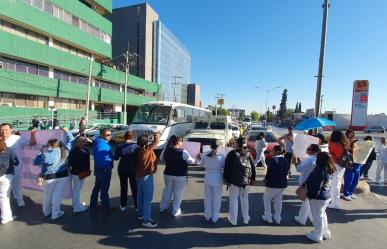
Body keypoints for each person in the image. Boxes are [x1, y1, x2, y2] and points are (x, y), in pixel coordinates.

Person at [159, 135, 196, 216]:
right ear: (178, 142)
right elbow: (191, 161)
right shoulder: (183, 151)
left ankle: (163, 207)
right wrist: (196, 157)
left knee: (167, 190)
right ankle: (175, 211)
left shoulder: (166, 150)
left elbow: (161, 159)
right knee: (178, 193)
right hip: (180, 175)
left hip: (168, 173)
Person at [223, 137, 256, 226]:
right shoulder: (248, 154)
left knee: (233, 200)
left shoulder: (231, 154)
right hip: (246, 181)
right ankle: (246, 219)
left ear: (237, 144)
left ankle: (233, 220)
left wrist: (225, 178)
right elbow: (253, 166)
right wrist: (253, 178)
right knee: (245, 200)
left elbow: (227, 167)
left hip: (233, 181)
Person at [304, 152, 335, 243]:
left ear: (319, 159)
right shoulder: (329, 168)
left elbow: (315, 187)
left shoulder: (319, 170)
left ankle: (317, 235)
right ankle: (325, 232)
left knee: (318, 216)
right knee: (322, 215)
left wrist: (310, 196)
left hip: (319, 197)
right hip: (326, 195)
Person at [34, 139, 68, 220]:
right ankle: (55, 213)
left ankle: (46, 212)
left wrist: (40, 152)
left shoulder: (47, 154)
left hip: (50, 177)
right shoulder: (65, 151)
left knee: (47, 195)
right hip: (62, 176)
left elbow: (36, 162)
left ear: (51, 145)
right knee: (57, 195)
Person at [134, 133, 159, 228]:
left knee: (140, 195)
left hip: (138, 175)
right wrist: (155, 133)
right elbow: (156, 141)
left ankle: (140, 214)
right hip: (146, 176)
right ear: (146, 142)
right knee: (148, 198)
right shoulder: (146, 149)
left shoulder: (137, 150)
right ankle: (147, 219)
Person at [262, 145, 290, 225]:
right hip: (282, 183)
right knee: (278, 201)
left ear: (277, 151)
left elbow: (269, 173)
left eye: (272, 150)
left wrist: (265, 180)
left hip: (273, 184)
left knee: (267, 199)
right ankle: (277, 218)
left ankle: (268, 216)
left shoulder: (273, 160)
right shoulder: (285, 160)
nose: (271, 152)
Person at [294, 144, 320, 225]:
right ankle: (312, 219)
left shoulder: (309, 160)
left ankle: (302, 219)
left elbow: (299, 169)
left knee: (305, 202)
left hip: (305, 182)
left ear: (312, 151)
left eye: (308, 148)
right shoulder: (317, 159)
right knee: (310, 202)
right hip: (314, 182)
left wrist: (296, 162)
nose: (306, 149)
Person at [200, 139, 225, 223]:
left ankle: (207, 215)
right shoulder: (221, 155)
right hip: (218, 178)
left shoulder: (205, 154)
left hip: (208, 178)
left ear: (210, 146)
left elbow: (200, 164)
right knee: (217, 199)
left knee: (207, 198)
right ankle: (215, 217)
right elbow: (224, 166)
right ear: (218, 146)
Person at [89, 128, 114, 213]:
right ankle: (105, 208)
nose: (110, 136)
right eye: (108, 135)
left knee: (97, 187)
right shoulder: (101, 144)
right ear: (102, 135)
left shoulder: (99, 142)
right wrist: (107, 166)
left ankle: (93, 206)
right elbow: (100, 158)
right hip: (104, 170)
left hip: (100, 170)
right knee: (104, 189)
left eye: (110, 134)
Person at [0, 123, 25, 207]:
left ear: (11, 130)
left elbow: (31, 143)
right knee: (4, 189)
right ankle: (5, 206)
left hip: (16, 166)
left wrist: (33, 134)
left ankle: (19, 200)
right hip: (3, 170)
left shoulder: (17, 138)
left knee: (17, 184)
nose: (4, 132)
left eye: (6, 130)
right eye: (2, 130)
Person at [114, 131, 137, 211]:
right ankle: (137, 205)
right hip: (133, 168)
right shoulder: (135, 146)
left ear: (124, 137)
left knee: (123, 187)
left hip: (122, 168)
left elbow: (116, 157)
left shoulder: (119, 146)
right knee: (134, 187)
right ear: (132, 137)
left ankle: (123, 205)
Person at [328, 130, 349, 209]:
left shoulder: (333, 144)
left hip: (335, 164)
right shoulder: (344, 143)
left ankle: (334, 203)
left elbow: (330, 154)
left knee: (334, 184)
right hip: (342, 165)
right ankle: (335, 201)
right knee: (338, 183)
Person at [68, 136, 90, 213]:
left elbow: (87, 161)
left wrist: (86, 171)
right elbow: (70, 163)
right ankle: (76, 207)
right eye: (80, 141)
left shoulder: (85, 149)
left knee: (79, 189)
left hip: (84, 172)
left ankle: (77, 203)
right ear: (76, 142)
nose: (82, 143)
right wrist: (79, 171)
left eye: (83, 141)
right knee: (76, 190)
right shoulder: (74, 151)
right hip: (77, 173)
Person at [0, 139, 19, 224]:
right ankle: (6, 217)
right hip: (6, 175)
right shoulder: (9, 150)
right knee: (4, 197)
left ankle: (6, 216)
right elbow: (16, 162)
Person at [343, 129, 360, 201]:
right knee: (349, 179)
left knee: (356, 178)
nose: (351, 134)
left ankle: (350, 192)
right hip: (350, 162)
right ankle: (345, 193)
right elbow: (344, 151)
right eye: (350, 133)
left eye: (352, 133)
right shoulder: (344, 140)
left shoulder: (355, 140)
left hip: (357, 161)